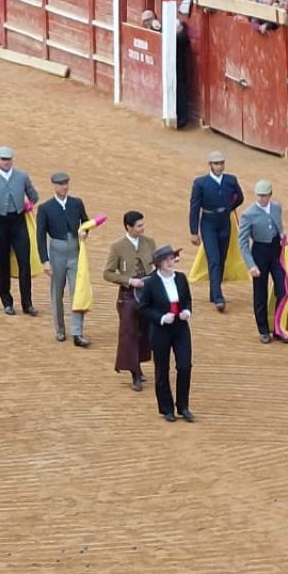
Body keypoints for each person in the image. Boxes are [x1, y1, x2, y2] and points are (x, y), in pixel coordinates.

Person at [135, 244, 194, 422]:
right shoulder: (151, 283)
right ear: (159, 263)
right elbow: (143, 308)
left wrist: (187, 312)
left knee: (184, 366)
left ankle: (183, 406)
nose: (171, 262)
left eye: (172, 259)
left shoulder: (181, 278)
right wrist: (161, 317)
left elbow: (187, 300)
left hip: (181, 328)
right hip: (161, 330)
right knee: (162, 369)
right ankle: (167, 408)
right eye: (167, 259)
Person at [0, 146, 40, 316]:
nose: (6, 162)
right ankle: (7, 302)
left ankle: (27, 304)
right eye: (3, 159)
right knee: (2, 264)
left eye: (9, 159)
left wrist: (28, 204)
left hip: (18, 222)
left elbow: (34, 195)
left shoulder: (22, 176)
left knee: (24, 263)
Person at [34, 171, 90, 345]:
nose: (64, 187)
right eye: (60, 184)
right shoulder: (45, 208)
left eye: (66, 183)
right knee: (57, 293)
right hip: (56, 251)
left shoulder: (76, 203)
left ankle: (77, 332)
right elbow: (40, 236)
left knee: (77, 291)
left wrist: (84, 232)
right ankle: (59, 329)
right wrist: (45, 260)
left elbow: (86, 222)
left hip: (75, 250)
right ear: (54, 186)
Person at [102, 211, 155, 391]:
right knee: (129, 333)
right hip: (128, 295)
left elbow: (156, 265)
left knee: (145, 332)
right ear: (128, 227)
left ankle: (138, 366)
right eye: (139, 226)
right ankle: (135, 373)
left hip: (147, 294)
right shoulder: (117, 247)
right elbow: (107, 273)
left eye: (142, 224)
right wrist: (129, 280)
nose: (142, 228)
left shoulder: (149, 243)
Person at [188, 151, 244, 312]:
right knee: (214, 259)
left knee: (222, 257)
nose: (219, 166)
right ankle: (219, 296)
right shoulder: (200, 183)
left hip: (224, 222)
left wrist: (228, 208)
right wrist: (194, 231)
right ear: (210, 165)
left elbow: (239, 198)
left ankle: (214, 290)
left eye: (221, 163)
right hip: (208, 223)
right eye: (216, 163)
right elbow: (195, 207)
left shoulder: (231, 180)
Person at [237, 179, 288, 344]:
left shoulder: (276, 207)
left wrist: (283, 235)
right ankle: (263, 330)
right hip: (259, 253)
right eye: (259, 196)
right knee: (260, 293)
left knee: (282, 289)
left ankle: (278, 327)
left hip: (275, 251)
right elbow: (243, 242)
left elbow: (279, 226)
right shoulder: (248, 214)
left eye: (265, 196)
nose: (262, 199)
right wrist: (251, 264)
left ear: (270, 195)